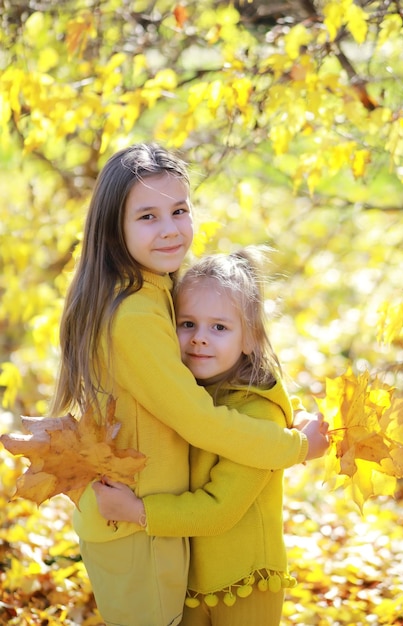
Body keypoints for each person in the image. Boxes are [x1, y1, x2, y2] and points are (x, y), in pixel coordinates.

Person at [50, 143, 327, 626]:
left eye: (179, 210)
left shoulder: (151, 290)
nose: (170, 228)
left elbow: (209, 388)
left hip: (143, 513)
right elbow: (198, 418)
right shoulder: (135, 312)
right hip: (134, 518)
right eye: (148, 216)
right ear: (114, 227)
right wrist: (294, 447)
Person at [93, 249, 329, 626]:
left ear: (250, 338)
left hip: (246, 582)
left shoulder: (257, 416)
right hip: (190, 580)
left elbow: (219, 509)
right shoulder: (190, 396)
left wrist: (137, 512)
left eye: (219, 328)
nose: (200, 339)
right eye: (187, 324)